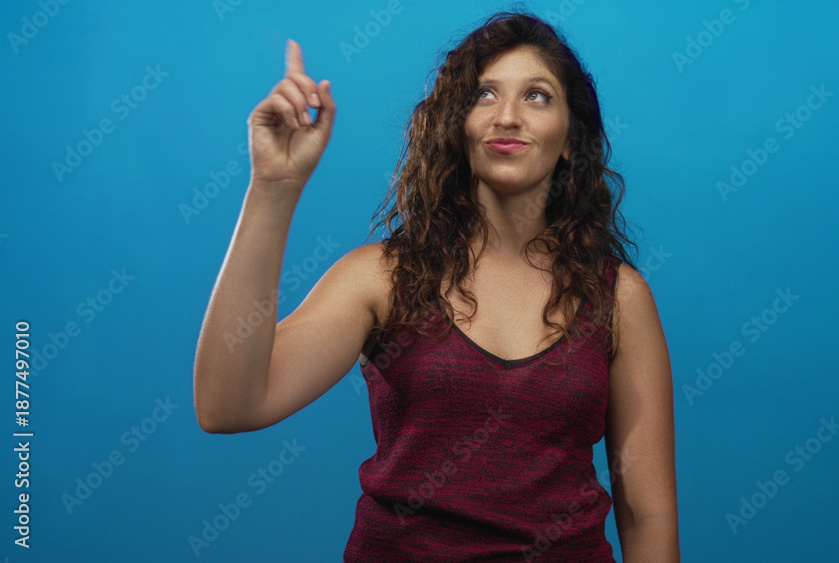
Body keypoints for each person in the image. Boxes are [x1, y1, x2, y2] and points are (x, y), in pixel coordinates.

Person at [193, 11, 679, 562]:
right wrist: (273, 188)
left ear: (571, 139)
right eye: (485, 95)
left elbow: (647, 514)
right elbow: (227, 406)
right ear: (458, 124)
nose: (509, 116)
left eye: (538, 96)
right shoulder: (382, 277)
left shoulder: (618, 298)